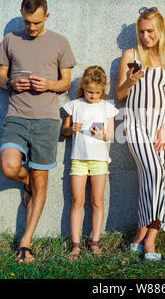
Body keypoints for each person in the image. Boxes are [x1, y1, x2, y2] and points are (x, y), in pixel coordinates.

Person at [0, 0, 76, 263]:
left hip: (47, 120)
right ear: (22, 15)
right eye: (28, 22)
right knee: (8, 166)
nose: (31, 27)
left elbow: (65, 83)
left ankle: (25, 244)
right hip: (16, 116)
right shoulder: (10, 40)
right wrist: (11, 85)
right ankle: (26, 181)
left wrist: (48, 85)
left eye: (37, 23)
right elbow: (1, 77)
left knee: (42, 181)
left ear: (47, 17)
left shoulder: (60, 42)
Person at [116, 7, 165, 261]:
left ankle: (145, 235)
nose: (145, 36)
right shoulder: (130, 55)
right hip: (134, 125)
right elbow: (120, 96)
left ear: (160, 31)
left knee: (162, 179)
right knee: (155, 173)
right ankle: (146, 237)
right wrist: (130, 81)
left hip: (162, 128)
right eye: (141, 31)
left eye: (150, 31)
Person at [62, 66, 119, 260]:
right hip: (78, 159)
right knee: (77, 201)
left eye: (96, 92)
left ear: (102, 90)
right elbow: (64, 131)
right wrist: (72, 129)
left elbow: (111, 135)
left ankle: (95, 242)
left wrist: (101, 134)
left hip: (99, 160)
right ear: (83, 87)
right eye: (89, 91)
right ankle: (76, 245)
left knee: (97, 201)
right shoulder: (75, 105)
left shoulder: (107, 107)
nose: (93, 96)